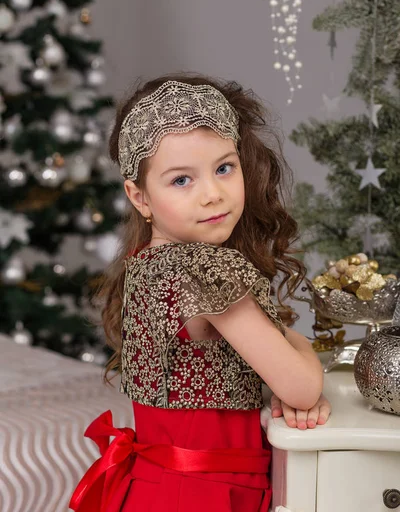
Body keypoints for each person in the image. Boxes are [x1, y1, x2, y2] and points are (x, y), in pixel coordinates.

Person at [69, 74, 331, 512]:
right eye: (181, 181)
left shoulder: (145, 263)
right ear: (139, 197)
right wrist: (294, 350)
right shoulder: (202, 271)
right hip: (204, 495)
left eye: (224, 168)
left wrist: (278, 372)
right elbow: (303, 387)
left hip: (155, 488)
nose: (212, 194)